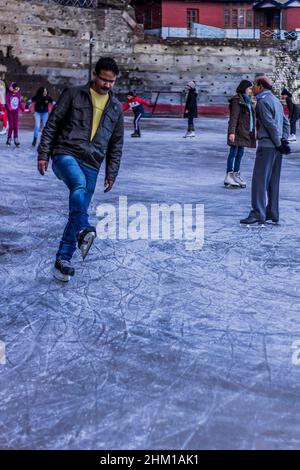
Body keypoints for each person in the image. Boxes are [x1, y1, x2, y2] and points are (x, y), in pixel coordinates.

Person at [37, 57, 124, 282]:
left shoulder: (115, 107)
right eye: (104, 80)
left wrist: (111, 173)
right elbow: (53, 123)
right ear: (94, 74)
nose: (107, 85)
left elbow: (116, 144)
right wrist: (43, 154)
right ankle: (85, 228)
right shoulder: (73, 94)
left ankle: (62, 261)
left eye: (111, 82)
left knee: (78, 209)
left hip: (92, 162)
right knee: (78, 185)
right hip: (65, 152)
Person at [240, 76, 290, 226]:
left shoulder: (262, 103)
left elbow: (270, 126)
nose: (252, 88)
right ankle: (272, 213)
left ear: (260, 86)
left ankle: (257, 213)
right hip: (276, 147)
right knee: (273, 182)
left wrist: (278, 142)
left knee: (259, 181)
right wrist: (283, 141)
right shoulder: (276, 101)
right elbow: (285, 123)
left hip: (267, 146)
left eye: (254, 85)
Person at [224, 79, 256, 188]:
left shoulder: (246, 100)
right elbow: (234, 117)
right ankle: (229, 175)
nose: (250, 90)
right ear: (244, 88)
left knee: (240, 154)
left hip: (244, 131)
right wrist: (231, 132)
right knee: (233, 153)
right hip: (237, 131)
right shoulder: (237, 100)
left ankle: (236, 174)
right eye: (249, 88)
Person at [5, 82, 29, 146]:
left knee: (16, 126)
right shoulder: (8, 94)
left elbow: (19, 103)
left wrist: (23, 109)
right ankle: (9, 138)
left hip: (16, 112)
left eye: (17, 89)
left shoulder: (18, 94)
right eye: (15, 89)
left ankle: (16, 138)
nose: (16, 90)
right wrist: (9, 108)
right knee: (11, 126)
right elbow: (7, 102)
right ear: (11, 88)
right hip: (10, 112)